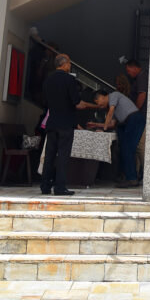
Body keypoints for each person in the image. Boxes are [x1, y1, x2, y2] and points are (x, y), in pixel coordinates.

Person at [41, 53, 95, 196]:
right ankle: (60, 187)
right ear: (64, 64)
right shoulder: (69, 80)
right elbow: (76, 103)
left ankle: (45, 186)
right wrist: (92, 106)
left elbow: (45, 101)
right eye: (69, 63)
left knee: (50, 155)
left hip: (52, 122)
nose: (70, 65)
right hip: (65, 124)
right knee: (63, 156)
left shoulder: (48, 79)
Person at [93, 89, 141, 187]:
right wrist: (96, 125)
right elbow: (112, 123)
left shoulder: (113, 95)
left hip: (134, 119)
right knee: (124, 150)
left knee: (128, 149)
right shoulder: (113, 107)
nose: (99, 106)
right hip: (127, 122)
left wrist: (104, 129)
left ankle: (132, 178)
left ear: (102, 96)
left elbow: (110, 113)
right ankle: (129, 177)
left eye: (98, 102)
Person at [124, 58, 148, 181]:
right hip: (140, 115)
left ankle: (146, 173)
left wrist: (136, 110)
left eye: (128, 70)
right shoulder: (139, 78)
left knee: (140, 145)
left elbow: (142, 94)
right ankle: (138, 173)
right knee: (137, 145)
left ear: (134, 67)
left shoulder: (141, 77)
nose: (128, 73)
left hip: (141, 115)